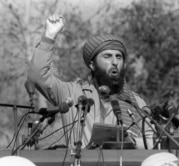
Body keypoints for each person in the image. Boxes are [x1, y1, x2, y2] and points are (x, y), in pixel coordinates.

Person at [27, 15, 153, 150]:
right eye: (107, 56)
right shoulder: (72, 93)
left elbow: (152, 143)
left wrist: (128, 142)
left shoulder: (135, 103)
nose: (115, 62)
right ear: (92, 65)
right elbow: (36, 76)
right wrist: (49, 36)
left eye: (119, 57)